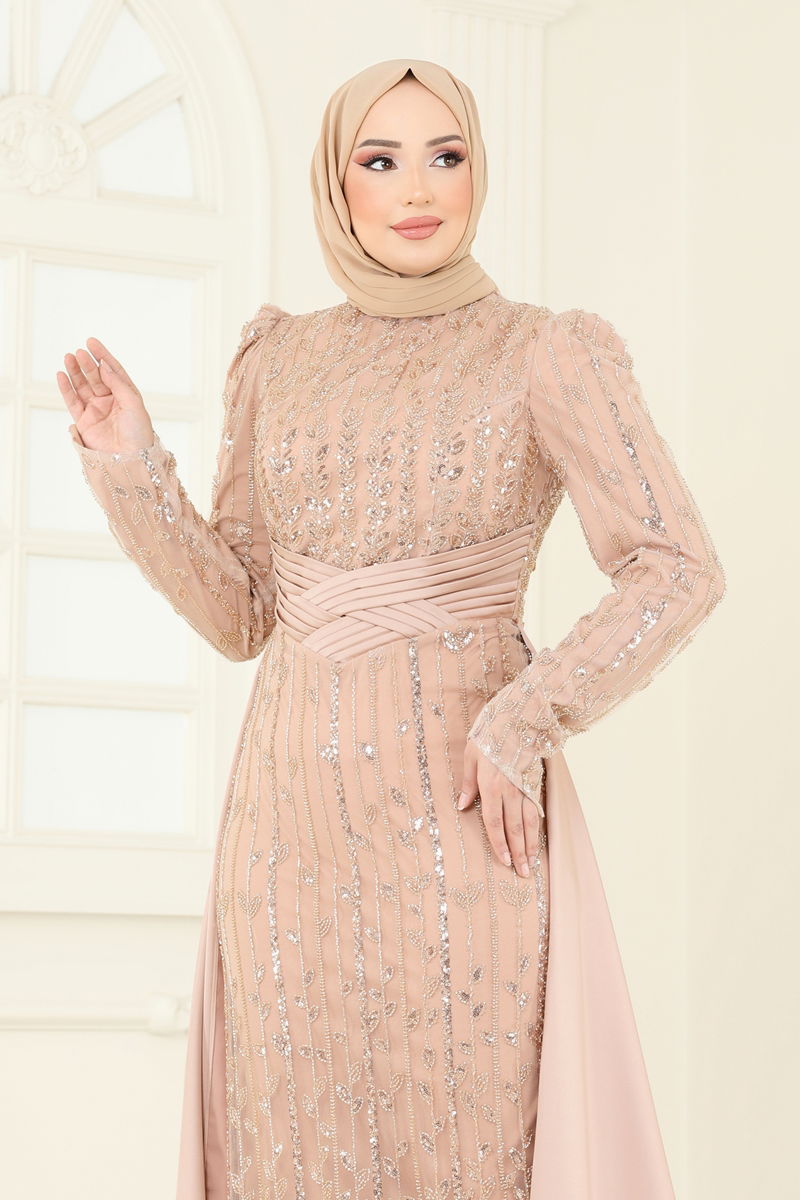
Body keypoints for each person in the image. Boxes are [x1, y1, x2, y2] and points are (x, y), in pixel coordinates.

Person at [57, 58, 725, 1200]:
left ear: (477, 172)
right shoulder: (278, 359)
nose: (418, 188)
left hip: (458, 814)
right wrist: (129, 463)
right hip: (285, 839)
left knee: (467, 1139)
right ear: (338, 182)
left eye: (444, 156)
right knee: (291, 1147)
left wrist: (522, 720)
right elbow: (241, 614)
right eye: (380, 159)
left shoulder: (543, 349)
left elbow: (676, 569)